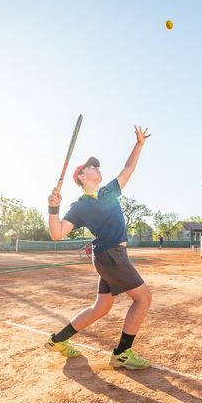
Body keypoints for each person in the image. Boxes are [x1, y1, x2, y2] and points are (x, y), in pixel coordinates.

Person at [45, 126, 153, 370]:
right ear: (82, 177)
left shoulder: (108, 192)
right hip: (110, 255)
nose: (96, 167)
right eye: (90, 167)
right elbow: (56, 233)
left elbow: (129, 169)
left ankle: (58, 340)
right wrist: (53, 208)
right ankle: (122, 353)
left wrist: (139, 145)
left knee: (101, 307)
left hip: (111, 256)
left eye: (95, 166)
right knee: (143, 299)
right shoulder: (79, 206)